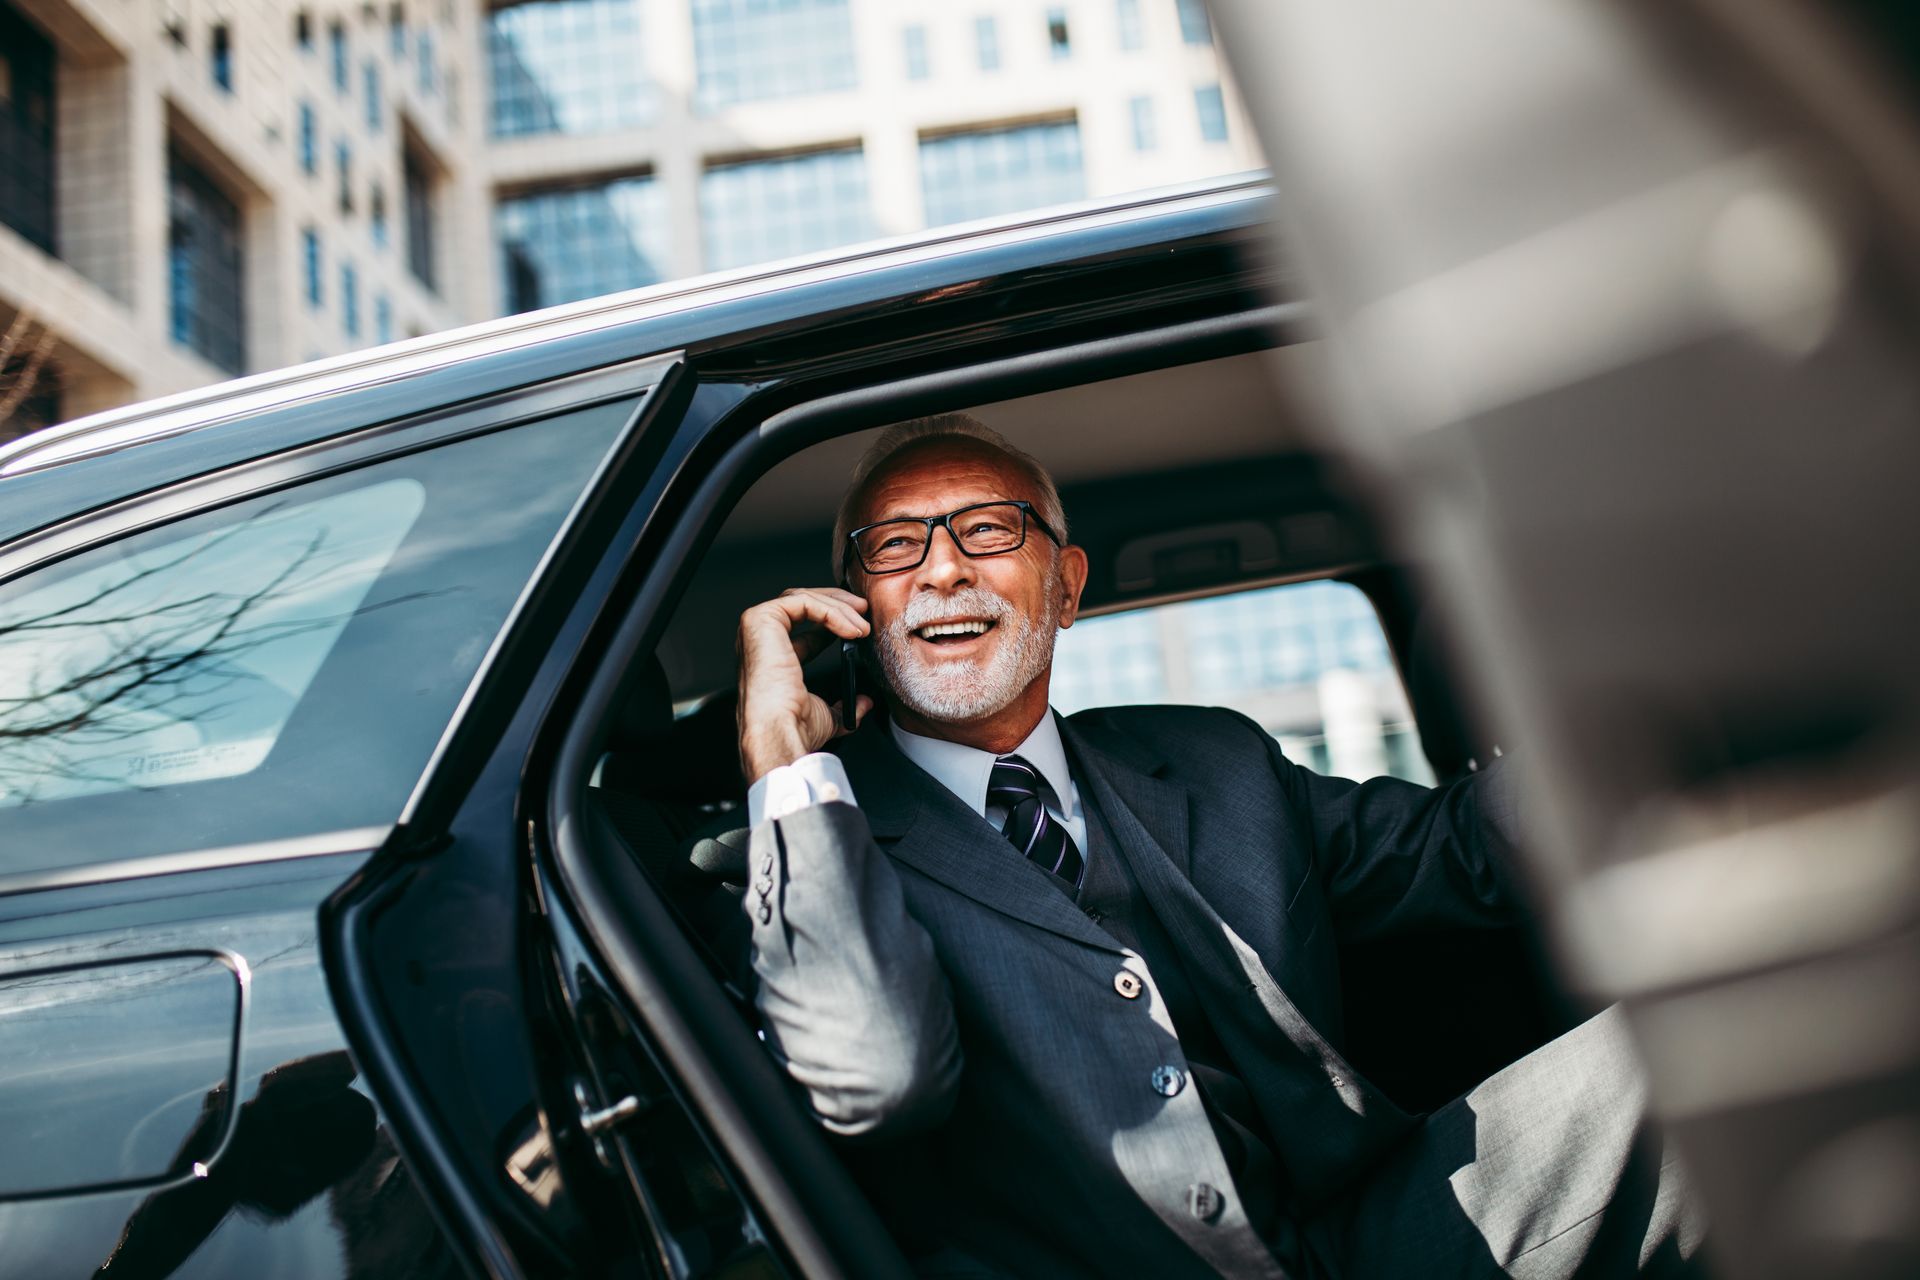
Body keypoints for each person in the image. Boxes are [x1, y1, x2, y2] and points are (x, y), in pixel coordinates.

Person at [733, 414, 1702, 1278]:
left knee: (1727, 1029)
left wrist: (1667, 670)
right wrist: (783, 763)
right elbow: (876, 1075)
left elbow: (1464, 846)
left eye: (988, 529)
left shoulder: (1209, 757)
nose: (942, 567)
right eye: (896, 546)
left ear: (1065, 587)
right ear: (857, 605)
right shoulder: (817, 835)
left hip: (1369, 1237)